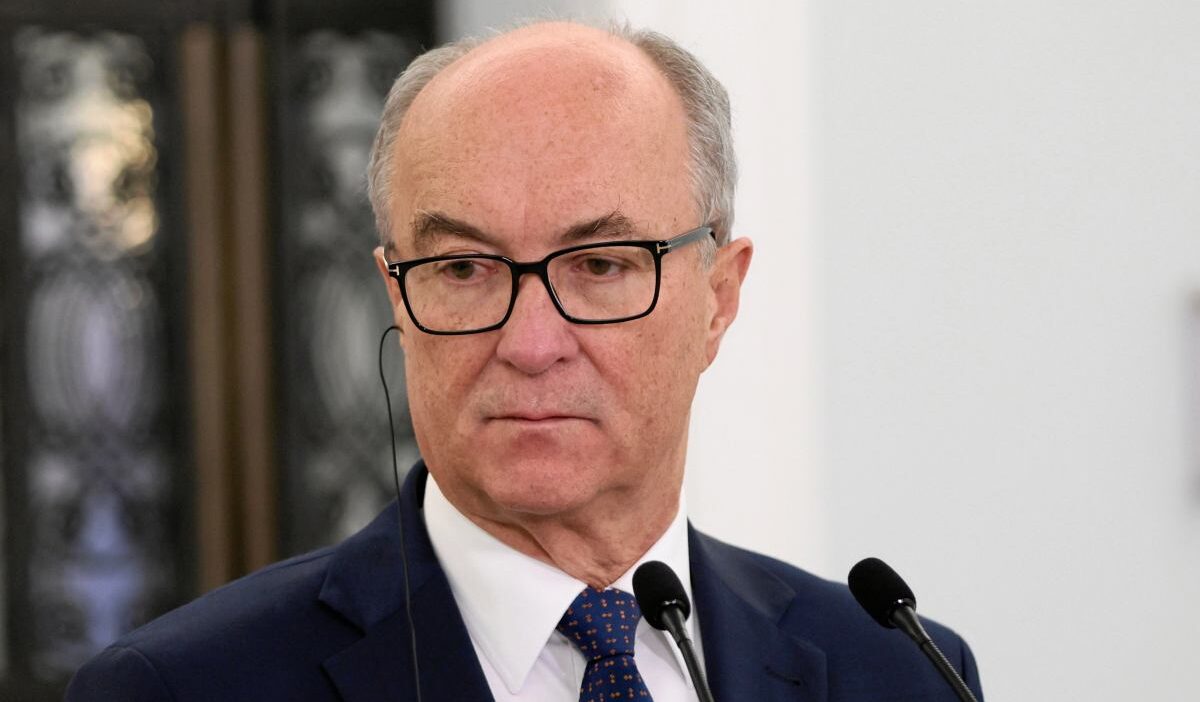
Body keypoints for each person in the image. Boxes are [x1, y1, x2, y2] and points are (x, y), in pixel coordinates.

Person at [66, 20, 983, 702]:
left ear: (719, 296)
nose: (531, 344)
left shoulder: (900, 668)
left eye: (601, 266)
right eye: (464, 269)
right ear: (396, 296)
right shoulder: (181, 688)